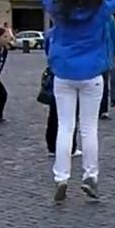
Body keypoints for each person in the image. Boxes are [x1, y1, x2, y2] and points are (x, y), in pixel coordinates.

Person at [32, 0, 115, 203]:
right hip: (92, 76)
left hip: (64, 74)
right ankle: (90, 176)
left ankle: (61, 177)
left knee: (65, 128)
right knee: (89, 128)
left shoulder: (58, 10)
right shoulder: (101, 11)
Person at [43, 28, 81, 157]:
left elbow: (48, 53)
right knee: (71, 114)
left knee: (55, 111)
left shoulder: (51, 34)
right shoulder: (74, 33)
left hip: (56, 72)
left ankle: (52, 146)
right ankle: (70, 147)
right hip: (72, 73)